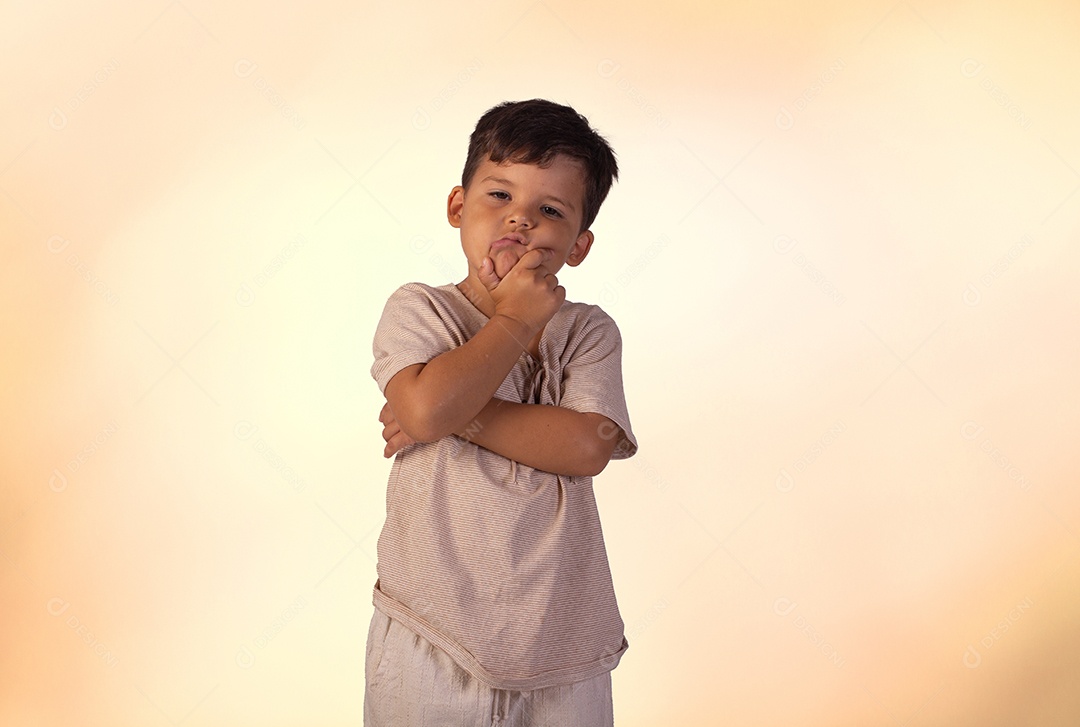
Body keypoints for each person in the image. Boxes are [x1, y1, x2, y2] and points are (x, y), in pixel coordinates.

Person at [366, 98, 638, 726]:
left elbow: (587, 447)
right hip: (431, 630)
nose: (519, 221)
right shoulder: (421, 311)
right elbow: (427, 407)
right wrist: (513, 322)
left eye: (549, 210)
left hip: (562, 641)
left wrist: (452, 412)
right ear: (458, 206)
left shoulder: (587, 333)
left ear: (579, 244)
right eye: (498, 196)